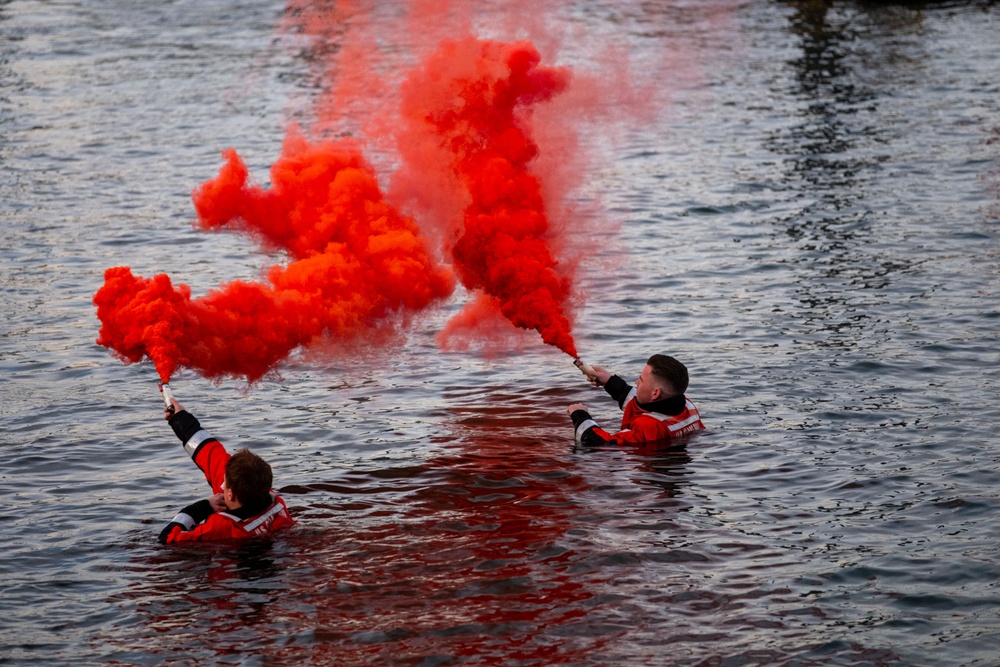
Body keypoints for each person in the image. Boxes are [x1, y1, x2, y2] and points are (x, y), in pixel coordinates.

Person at [158, 396, 295, 544]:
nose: (221, 486)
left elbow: (167, 538)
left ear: (230, 494)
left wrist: (203, 507)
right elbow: (210, 454)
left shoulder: (220, 529)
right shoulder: (273, 500)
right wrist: (180, 419)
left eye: (224, 486)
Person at [567, 354, 704, 447]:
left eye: (641, 380)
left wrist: (579, 415)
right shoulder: (687, 405)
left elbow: (597, 443)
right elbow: (640, 402)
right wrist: (609, 381)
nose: (636, 382)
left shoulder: (647, 426)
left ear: (655, 393)